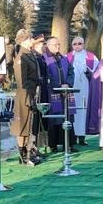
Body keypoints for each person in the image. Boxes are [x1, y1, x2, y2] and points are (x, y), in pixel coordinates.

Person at [10, 29, 41, 166]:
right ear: (23, 40)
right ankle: (23, 156)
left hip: (31, 94)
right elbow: (22, 82)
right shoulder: (21, 57)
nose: (31, 41)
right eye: (29, 39)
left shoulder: (30, 54)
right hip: (24, 96)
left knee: (29, 125)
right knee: (23, 126)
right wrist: (29, 99)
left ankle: (28, 153)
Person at [43, 36, 78, 153]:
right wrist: (58, 86)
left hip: (66, 92)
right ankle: (53, 145)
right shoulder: (45, 59)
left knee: (68, 116)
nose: (57, 46)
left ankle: (69, 144)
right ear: (48, 46)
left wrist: (67, 84)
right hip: (53, 93)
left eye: (58, 44)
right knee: (55, 118)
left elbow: (71, 71)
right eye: (54, 44)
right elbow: (47, 76)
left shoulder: (63, 58)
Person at [66, 37, 99, 145]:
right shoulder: (67, 57)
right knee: (74, 112)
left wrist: (90, 74)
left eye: (79, 43)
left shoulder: (91, 57)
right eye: (74, 44)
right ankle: (73, 136)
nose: (77, 45)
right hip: (73, 90)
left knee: (84, 111)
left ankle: (82, 137)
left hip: (85, 89)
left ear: (84, 44)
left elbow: (97, 74)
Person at [31, 34, 49, 151]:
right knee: (36, 120)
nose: (44, 46)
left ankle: (41, 146)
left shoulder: (41, 57)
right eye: (43, 44)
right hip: (38, 91)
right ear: (37, 44)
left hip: (43, 89)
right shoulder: (35, 57)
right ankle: (34, 146)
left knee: (43, 118)